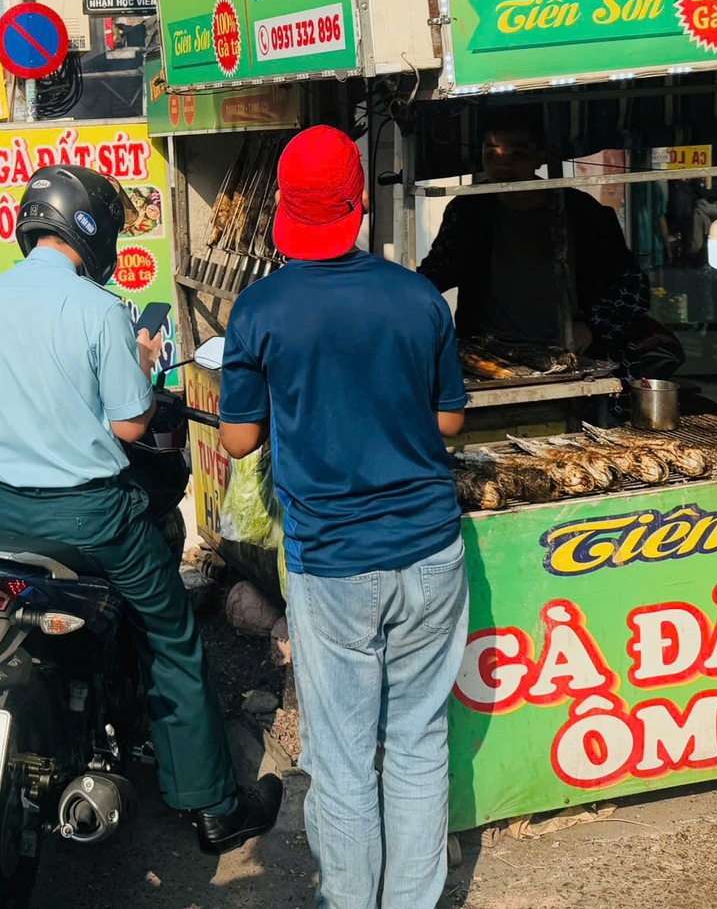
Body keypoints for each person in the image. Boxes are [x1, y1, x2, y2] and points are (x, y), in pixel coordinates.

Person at [0, 164, 282, 855]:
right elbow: (133, 424)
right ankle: (214, 807)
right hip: (91, 519)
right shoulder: (99, 309)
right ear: (93, 228)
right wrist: (140, 358)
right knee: (169, 635)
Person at [217, 125, 468, 909]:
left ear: (285, 214)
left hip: (333, 561)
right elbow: (450, 422)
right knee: (420, 742)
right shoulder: (418, 297)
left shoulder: (259, 309)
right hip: (430, 549)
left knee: (343, 752)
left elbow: (239, 437)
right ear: (357, 205)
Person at [417, 107, 651, 365]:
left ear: (541, 156)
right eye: (491, 154)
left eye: (518, 154)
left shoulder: (582, 212)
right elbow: (437, 272)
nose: (503, 164)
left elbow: (633, 287)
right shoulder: (468, 210)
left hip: (570, 354)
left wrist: (591, 324)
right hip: (488, 354)